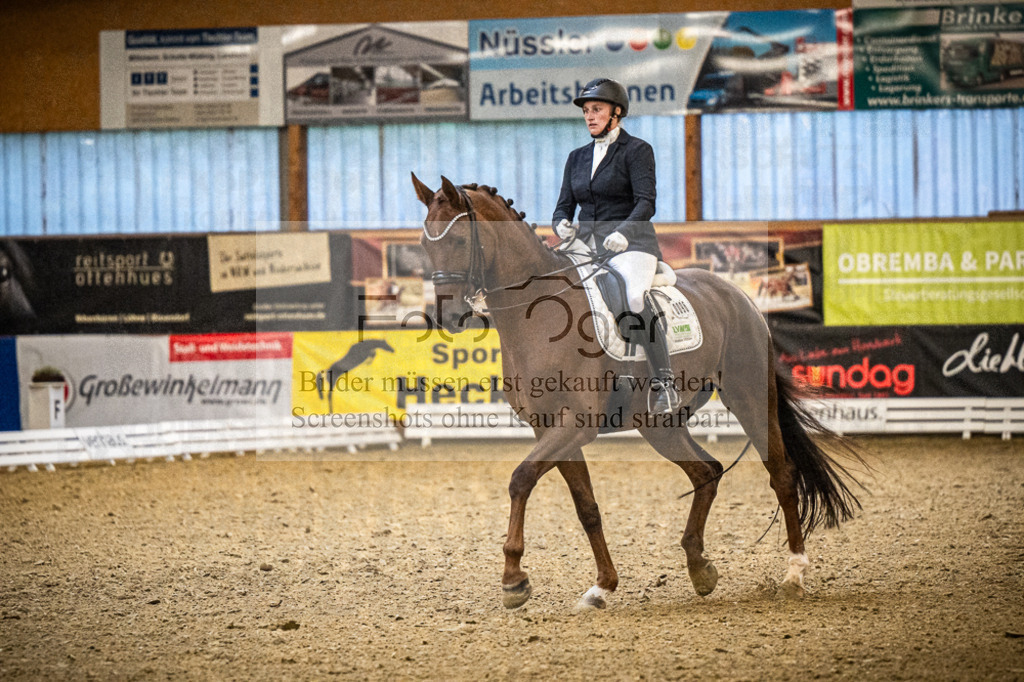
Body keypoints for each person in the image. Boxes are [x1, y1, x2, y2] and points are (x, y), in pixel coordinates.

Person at [552, 77, 680, 414]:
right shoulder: (576, 157)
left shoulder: (637, 151)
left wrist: (624, 231)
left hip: (632, 244)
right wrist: (561, 223)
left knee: (633, 297)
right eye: (587, 111)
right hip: (587, 244)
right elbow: (564, 205)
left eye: (597, 109)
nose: (590, 116)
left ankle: (664, 381)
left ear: (616, 112)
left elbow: (646, 202)